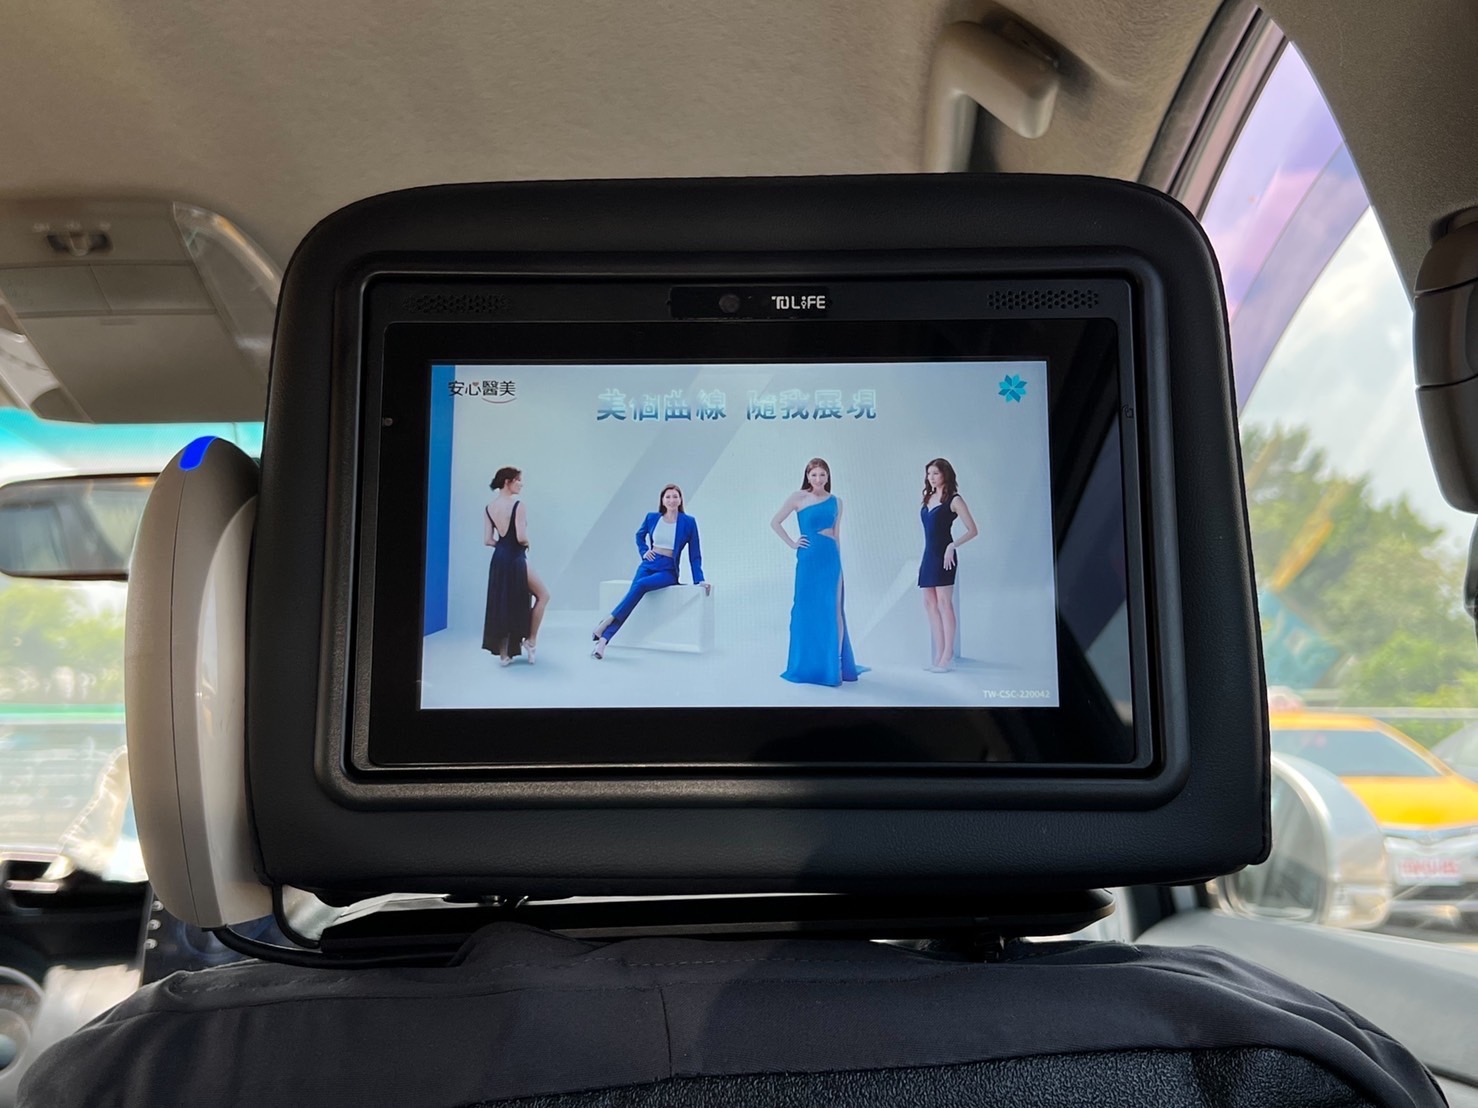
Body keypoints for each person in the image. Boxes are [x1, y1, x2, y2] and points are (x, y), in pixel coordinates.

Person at [771, 457, 865, 686]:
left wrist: (839, 565)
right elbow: (775, 522)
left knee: (834, 609)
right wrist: (793, 543)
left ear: (828, 476)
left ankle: (836, 664)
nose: (818, 479)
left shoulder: (836, 502)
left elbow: (836, 534)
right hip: (808, 559)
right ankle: (807, 664)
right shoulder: (798, 497)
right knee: (804, 610)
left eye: (822, 474)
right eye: (814, 475)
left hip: (830, 559)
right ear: (807, 476)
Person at [592, 483, 711, 659]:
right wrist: (644, 551)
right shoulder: (652, 518)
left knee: (640, 585)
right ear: (662, 500)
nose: (671, 500)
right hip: (649, 563)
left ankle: (607, 620)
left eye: (675, 496)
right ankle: (602, 642)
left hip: (668, 569)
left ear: (680, 500)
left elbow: (695, 555)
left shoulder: (689, 522)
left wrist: (699, 580)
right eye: (668, 497)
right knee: (631, 599)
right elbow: (639, 536)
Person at [482, 466, 550, 666]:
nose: (521, 484)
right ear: (507, 482)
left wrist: (503, 547)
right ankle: (531, 640)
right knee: (543, 595)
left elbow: (488, 540)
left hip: (499, 559)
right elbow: (520, 537)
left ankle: (504, 655)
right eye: (518, 480)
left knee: (503, 603)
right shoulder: (518, 505)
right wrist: (527, 543)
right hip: (515, 557)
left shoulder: (489, 508)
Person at [918, 457, 979, 673]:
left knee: (945, 604)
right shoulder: (928, 498)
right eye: (929, 474)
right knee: (929, 604)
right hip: (928, 556)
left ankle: (948, 655)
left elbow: (973, 530)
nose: (931, 477)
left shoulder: (954, 499)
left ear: (945, 474)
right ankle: (938, 654)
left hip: (945, 556)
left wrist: (953, 546)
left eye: (935, 473)